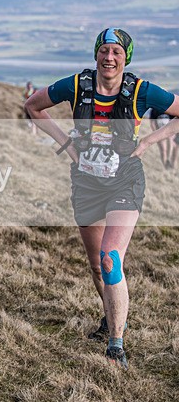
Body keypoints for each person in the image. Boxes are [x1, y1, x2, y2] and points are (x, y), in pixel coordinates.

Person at [25, 28, 179, 370]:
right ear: (96, 53)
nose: (110, 58)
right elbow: (33, 105)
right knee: (96, 265)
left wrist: (151, 142)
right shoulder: (77, 86)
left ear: (126, 57)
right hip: (86, 183)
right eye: (104, 51)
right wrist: (66, 145)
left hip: (125, 181)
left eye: (117, 52)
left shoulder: (140, 90)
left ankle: (116, 346)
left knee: (110, 259)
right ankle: (110, 317)